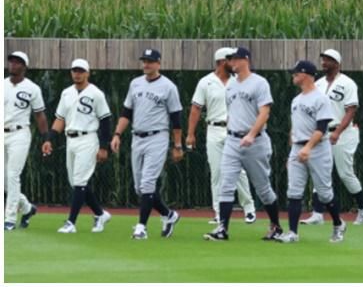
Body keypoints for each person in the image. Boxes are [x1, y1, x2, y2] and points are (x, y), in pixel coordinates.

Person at [203, 47, 285, 241]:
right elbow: (233, 112)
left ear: (245, 60)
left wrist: (251, 134)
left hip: (255, 142)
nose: (231, 62)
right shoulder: (231, 86)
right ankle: (222, 228)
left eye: (235, 59)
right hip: (232, 140)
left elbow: (264, 112)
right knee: (226, 183)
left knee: (263, 188)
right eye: (230, 59)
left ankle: (276, 226)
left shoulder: (259, 83)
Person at [110, 49, 183, 239]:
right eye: (144, 61)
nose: (146, 65)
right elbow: (127, 112)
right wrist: (117, 134)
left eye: (150, 61)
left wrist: (177, 145)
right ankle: (169, 215)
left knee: (148, 182)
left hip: (157, 136)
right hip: (137, 137)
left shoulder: (168, 86)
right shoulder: (135, 83)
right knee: (140, 187)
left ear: (158, 64)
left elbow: (176, 118)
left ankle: (141, 227)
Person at [299, 49, 363, 225]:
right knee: (319, 171)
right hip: (322, 133)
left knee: (345, 173)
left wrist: (338, 132)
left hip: (343, 133)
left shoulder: (348, 83)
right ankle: (317, 213)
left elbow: (351, 110)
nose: (324, 62)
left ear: (337, 64)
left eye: (328, 60)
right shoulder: (319, 84)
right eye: (323, 59)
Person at [186, 47, 257, 224]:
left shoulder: (239, 80)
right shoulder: (206, 82)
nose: (234, 62)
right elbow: (196, 108)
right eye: (230, 59)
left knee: (239, 171)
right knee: (217, 172)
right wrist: (190, 134)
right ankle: (218, 212)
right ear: (221, 62)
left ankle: (249, 208)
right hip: (214, 129)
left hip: (236, 130)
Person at [42, 59, 113, 234]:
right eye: (74, 70)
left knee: (80, 180)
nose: (77, 74)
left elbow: (105, 120)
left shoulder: (96, 93)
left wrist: (104, 147)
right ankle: (99, 214)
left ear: (87, 73)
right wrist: (49, 139)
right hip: (71, 139)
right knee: (76, 182)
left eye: (81, 71)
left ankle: (71, 222)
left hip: (88, 138)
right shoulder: (67, 93)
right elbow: (60, 119)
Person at [280, 60, 346, 244]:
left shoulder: (320, 98)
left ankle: (338, 224)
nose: (293, 76)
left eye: (296, 73)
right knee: (293, 191)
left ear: (306, 74)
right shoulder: (296, 100)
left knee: (324, 193)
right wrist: (292, 153)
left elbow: (322, 128)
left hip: (318, 148)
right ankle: (293, 233)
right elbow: (295, 128)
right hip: (298, 148)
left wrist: (308, 147)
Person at [4, 51, 47, 230]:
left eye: (17, 62)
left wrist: (46, 139)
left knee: (13, 175)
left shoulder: (32, 88)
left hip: (20, 133)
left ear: (25, 66)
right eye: (11, 61)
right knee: (5, 180)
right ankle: (28, 208)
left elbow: (40, 115)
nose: (13, 64)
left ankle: (10, 218)